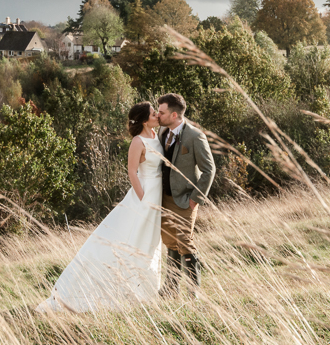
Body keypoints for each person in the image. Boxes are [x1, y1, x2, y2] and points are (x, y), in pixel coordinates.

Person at [36, 102, 163, 313]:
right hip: (144, 197)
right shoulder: (137, 142)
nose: (157, 115)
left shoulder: (157, 136)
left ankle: (145, 289)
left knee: (149, 243)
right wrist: (143, 199)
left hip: (157, 196)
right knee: (132, 240)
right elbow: (132, 172)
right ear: (143, 120)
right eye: (153, 113)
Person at [156, 93, 215, 297]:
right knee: (170, 242)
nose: (158, 115)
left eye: (161, 112)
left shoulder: (195, 136)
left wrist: (195, 199)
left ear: (174, 115)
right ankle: (171, 288)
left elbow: (209, 170)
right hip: (164, 199)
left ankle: (194, 291)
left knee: (185, 241)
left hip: (184, 201)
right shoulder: (163, 131)